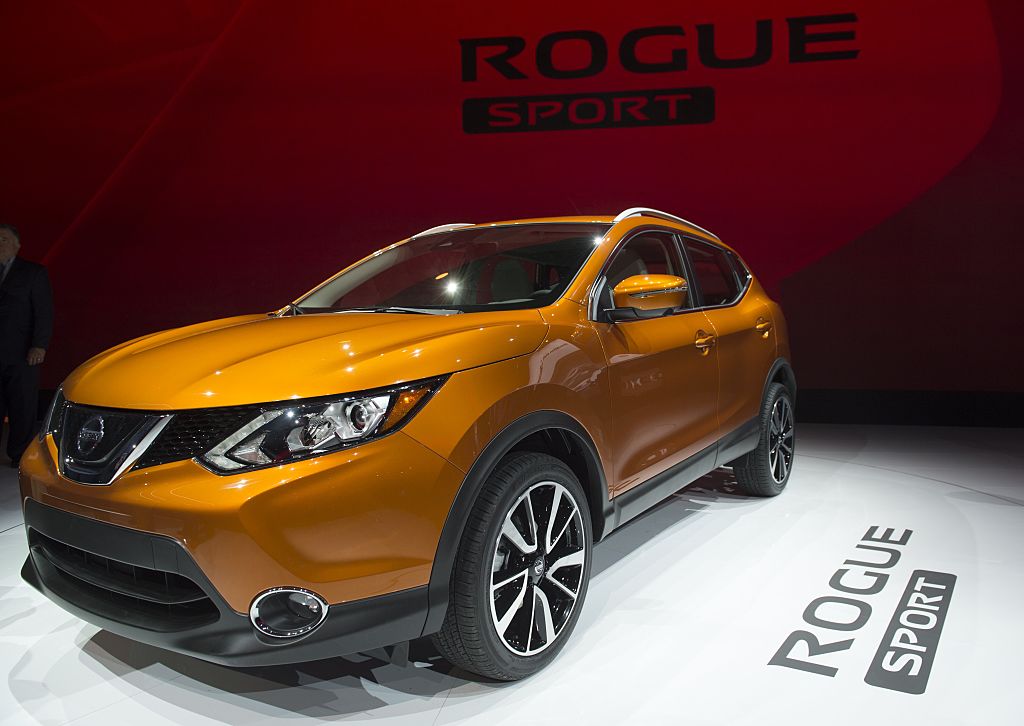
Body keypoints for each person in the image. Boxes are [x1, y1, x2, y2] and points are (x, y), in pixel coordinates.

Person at [0, 224, 53, 468]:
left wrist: (39, 345)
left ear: (17, 245)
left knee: (22, 405)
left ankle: (19, 453)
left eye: (4, 239)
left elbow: (43, 312)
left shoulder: (33, 273)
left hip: (22, 353)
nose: (0, 244)